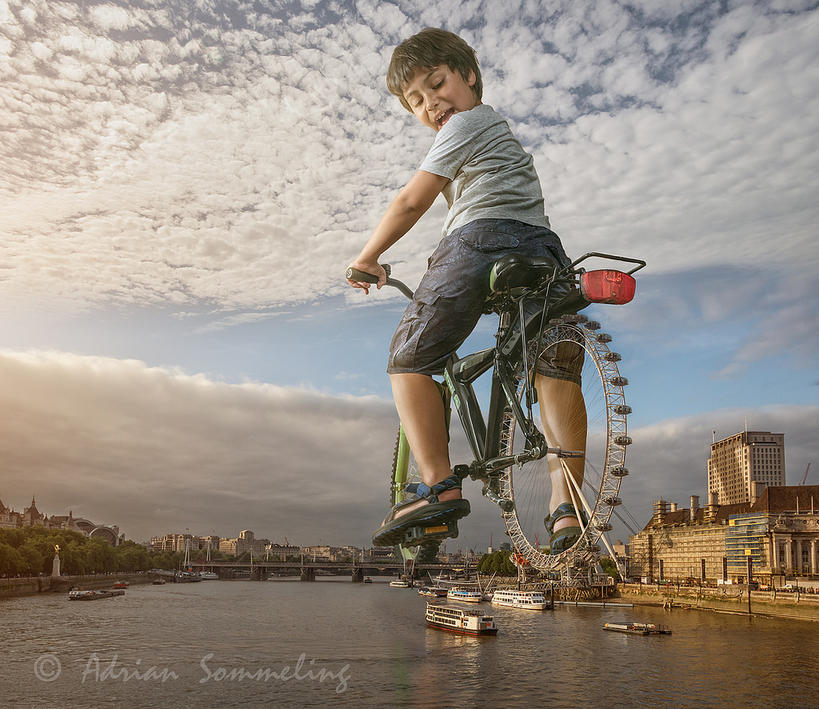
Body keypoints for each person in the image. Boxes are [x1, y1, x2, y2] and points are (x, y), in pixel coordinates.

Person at [346, 28, 586, 553]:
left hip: (476, 241)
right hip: (543, 249)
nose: (432, 103)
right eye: (417, 100)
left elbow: (412, 201)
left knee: (408, 359)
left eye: (438, 84)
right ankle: (565, 508)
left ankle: (435, 482)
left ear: (469, 77)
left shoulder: (468, 122)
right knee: (555, 366)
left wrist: (368, 257)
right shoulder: (496, 134)